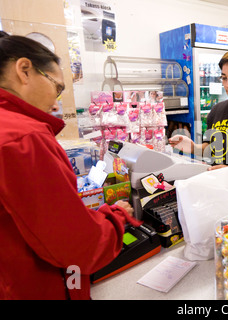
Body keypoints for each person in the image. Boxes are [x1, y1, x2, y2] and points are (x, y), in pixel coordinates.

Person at [0, 32, 139, 300]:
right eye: (57, 88)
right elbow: (78, 248)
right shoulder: (24, 137)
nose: (55, 104)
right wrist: (115, 217)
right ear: (24, 70)